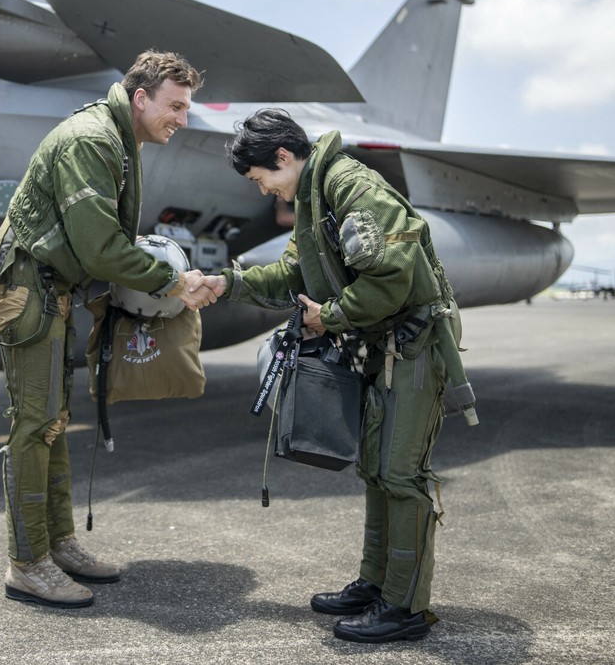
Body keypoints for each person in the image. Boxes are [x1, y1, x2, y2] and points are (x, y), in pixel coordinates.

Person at [201, 108, 472, 643]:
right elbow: (292, 273)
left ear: (283, 157)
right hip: (381, 345)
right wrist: (226, 283)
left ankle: (405, 607)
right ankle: (376, 584)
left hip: (414, 345)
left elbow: (391, 278)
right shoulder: (313, 200)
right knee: (374, 468)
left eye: (260, 178)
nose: (263, 191)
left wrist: (330, 316)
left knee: (400, 474)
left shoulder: (350, 187)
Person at [0, 50, 215, 609]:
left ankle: (57, 544)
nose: (182, 119)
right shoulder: (92, 140)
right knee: (35, 423)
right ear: (141, 98)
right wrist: (174, 283)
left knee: (54, 421)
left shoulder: (117, 139)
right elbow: (101, 248)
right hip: (25, 284)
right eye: (175, 106)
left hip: (49, 286)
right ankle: (27, 563)